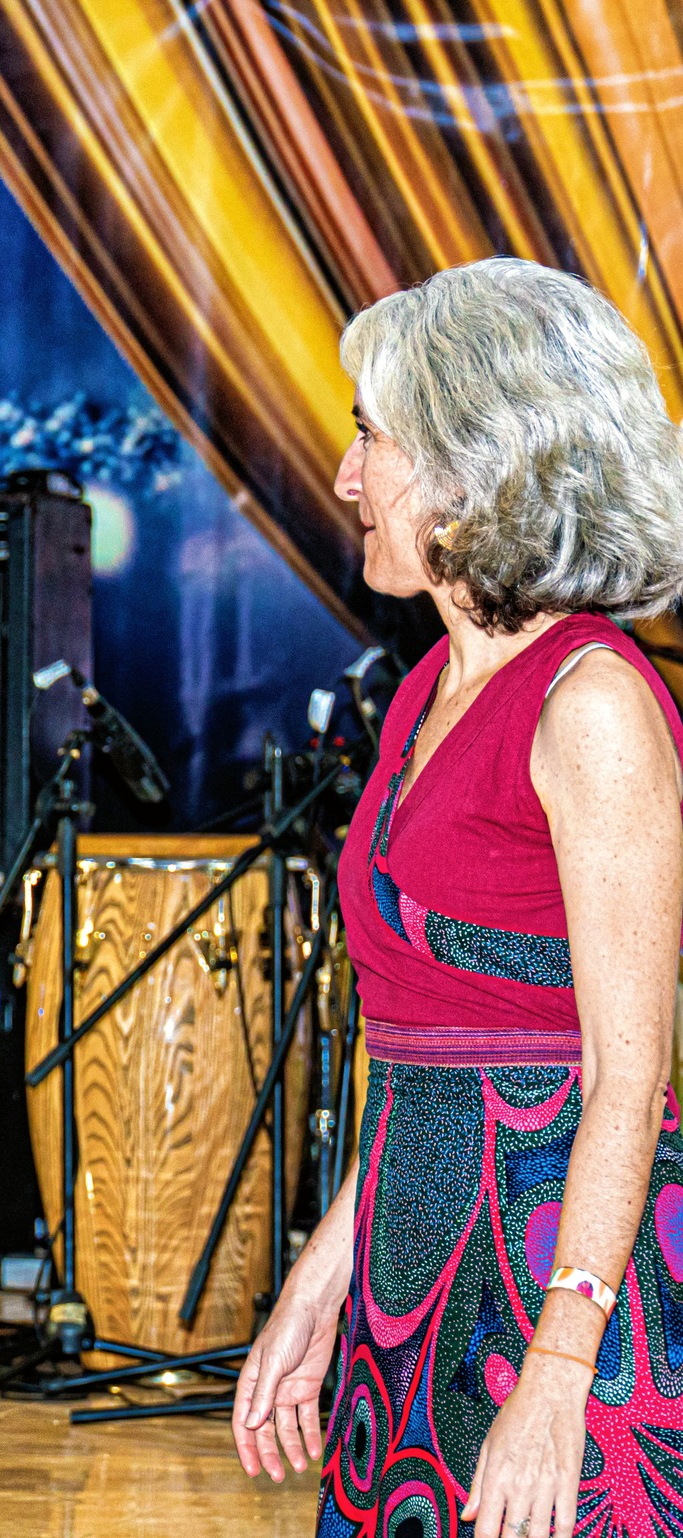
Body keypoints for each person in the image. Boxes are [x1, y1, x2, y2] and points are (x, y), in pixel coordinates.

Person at [232, 257, 683, 1538]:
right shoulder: (429, 687)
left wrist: (559, 1367)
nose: (343, 475)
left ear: (476, 460)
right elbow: (423, 1060)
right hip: (409, 1277)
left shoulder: (589, 702)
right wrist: (320, 1281)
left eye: (368, 435)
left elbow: (626, 1074)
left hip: (558, 1288)